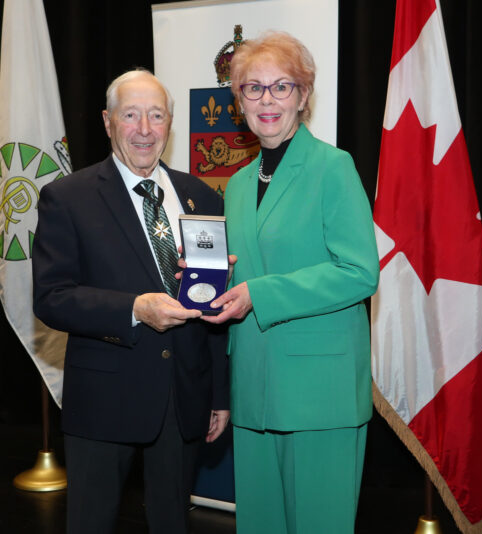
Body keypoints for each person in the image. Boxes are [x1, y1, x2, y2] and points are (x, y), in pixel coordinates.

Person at [31, 69, 230, 534]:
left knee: (172, 523)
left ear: (170, 123)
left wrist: (219, 394)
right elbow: (51, 298)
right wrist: (134, 309)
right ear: (107, 121)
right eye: (131, 115)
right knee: (92, 523)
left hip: (183, 396)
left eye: (156, 115)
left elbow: (214, 308)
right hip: (105, 397)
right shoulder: (68, 198)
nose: (144, 129)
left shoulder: (201, 197)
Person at [202, 31, 380, 534]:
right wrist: (211, 281)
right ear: (238, 101)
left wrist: (259, 293)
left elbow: (359, 271)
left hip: (318, 395)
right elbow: (250, 267)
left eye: (281, 87)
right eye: (252, 88)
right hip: (254, 390)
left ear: (304, 97)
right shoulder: (236, 185)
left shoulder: (333, 167)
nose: (267, 100)